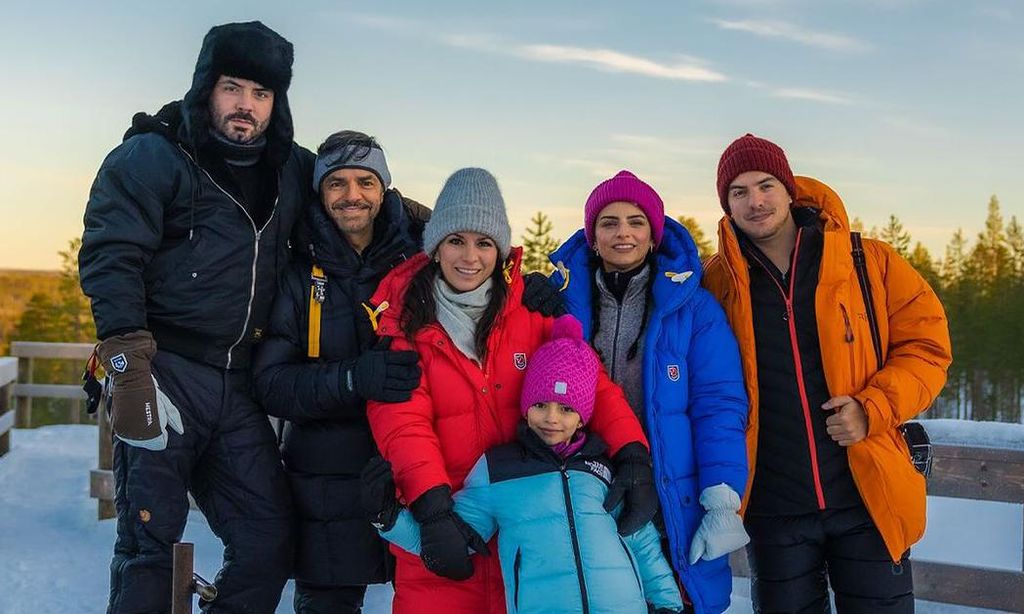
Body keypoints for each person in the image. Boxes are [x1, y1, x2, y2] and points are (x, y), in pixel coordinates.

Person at [79, 21, 311, 613]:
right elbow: (112, 254)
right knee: (148, 547)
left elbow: (356, 201)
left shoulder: (290, 171)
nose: (246, 106)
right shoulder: (154, 157)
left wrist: (440, 232)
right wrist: (128, 369)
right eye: (233, 88)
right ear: (207, 86)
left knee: (268, 539)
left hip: (237, 386)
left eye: (261, 94)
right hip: (163, 373)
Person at [364, 167, 656, 614]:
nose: (470, 257)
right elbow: (403, 425)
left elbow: (592, 385)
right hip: (446, 532)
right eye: (456, 240)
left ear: (499, 250)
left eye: (484, 243)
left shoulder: (530, 314)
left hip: (530, 542)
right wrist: (432, 508)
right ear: (436, 246)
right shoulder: (404, 324)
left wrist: (632, 456)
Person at [703, 133, 953, 613]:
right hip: (773, 508)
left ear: (789, 188)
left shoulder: (866, 261)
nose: (755, 201)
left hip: (867, 497)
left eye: (766, 184)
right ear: (727, 205)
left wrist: (873, 407)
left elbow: (927, 346)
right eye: (739, 192)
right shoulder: (717, 284)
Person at [363, 315, 685, 614]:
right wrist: (388, 518)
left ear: (583, 417)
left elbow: (641, 544)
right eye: (541, 404)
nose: (551, 419)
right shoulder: (500, 471)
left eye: (566, 409)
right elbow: (447, 540)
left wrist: (668, 603)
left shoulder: (602, 470)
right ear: (525, 405)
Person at [544, 170, 750, 613]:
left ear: (654, 236)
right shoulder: (558, 302)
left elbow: (718, 405)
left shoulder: (693, 310)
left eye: (636, 221)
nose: (624, 233)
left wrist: (721, 496)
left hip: (668, 490)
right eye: (609, 222)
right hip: (583, 487)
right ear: (592, 237)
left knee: (672, 600)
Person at [251, 131, 428, 612]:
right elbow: (271, 385)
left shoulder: (425, 263)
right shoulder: (294, 271)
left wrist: (532, 288)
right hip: (324, 482)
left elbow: (487, 289)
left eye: (366, 181)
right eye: (337, 183)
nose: (352, 195)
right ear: (319, 192)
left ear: (384, 189)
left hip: (419, 470)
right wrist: (352, 379)